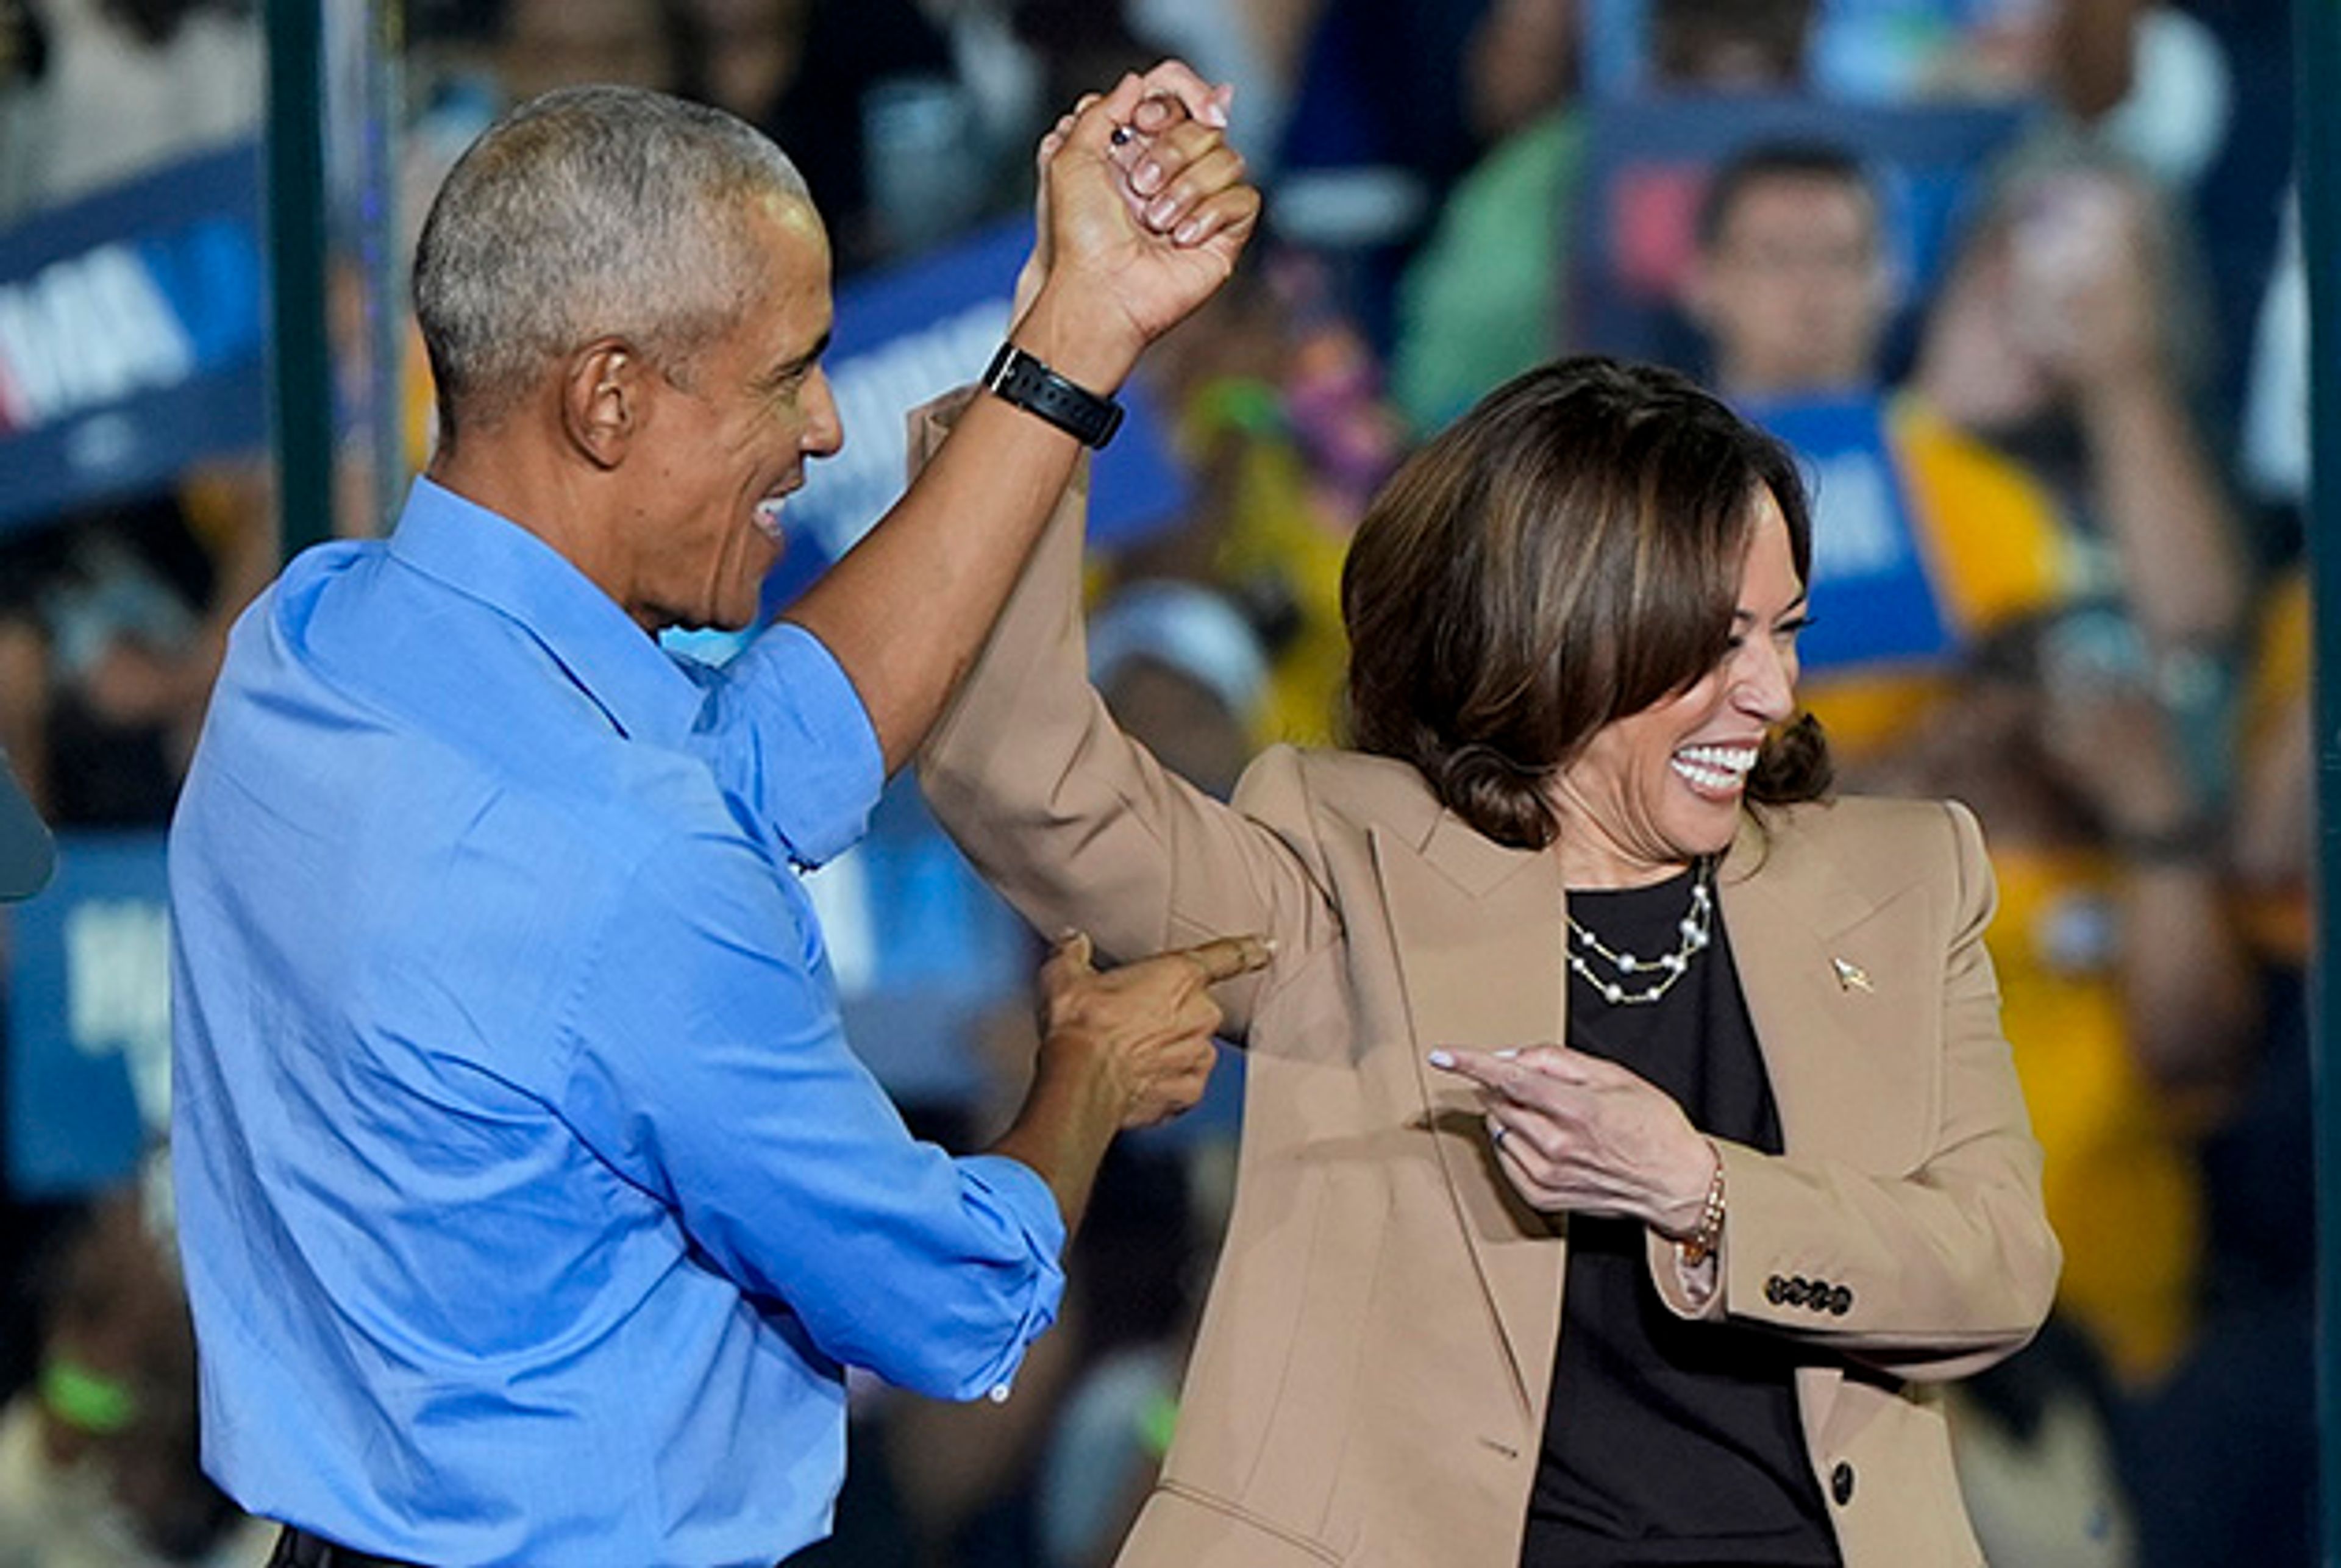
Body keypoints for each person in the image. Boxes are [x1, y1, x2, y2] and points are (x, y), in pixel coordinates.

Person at [168, 72, 1263, 1568]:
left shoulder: (310, 643)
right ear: (608, 394)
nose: (825, 426)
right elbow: (943, 1301)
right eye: (787, 373)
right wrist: (1085, 1074)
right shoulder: (621, 863)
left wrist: (1078, 329)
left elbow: (768, 756)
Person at [919, 355, 2060, 1566]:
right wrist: (1058, 374)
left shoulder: (1900, 881)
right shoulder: (1349, 864)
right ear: (1570, 628)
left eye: (1784, 634)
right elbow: (1023, 776)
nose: (1772, 692)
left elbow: (1994, 1270)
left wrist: (1703, 1193)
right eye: (1720, 644)